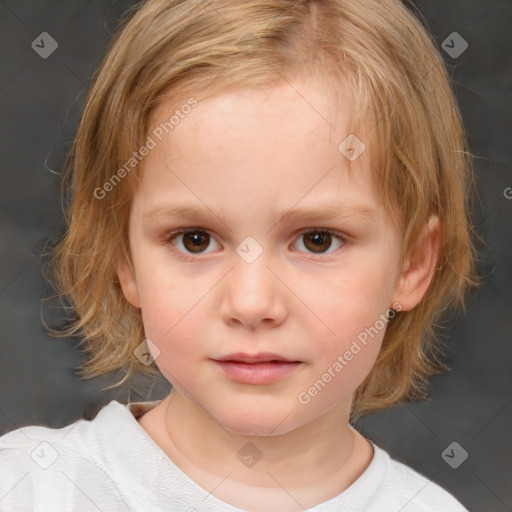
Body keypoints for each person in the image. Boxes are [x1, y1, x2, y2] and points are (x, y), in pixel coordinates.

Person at [0, 0, 482, 510]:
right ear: (124, 258)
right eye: (195, 240)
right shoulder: (28, 488)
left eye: (317, 240)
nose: (251, 303)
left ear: (412, 263)